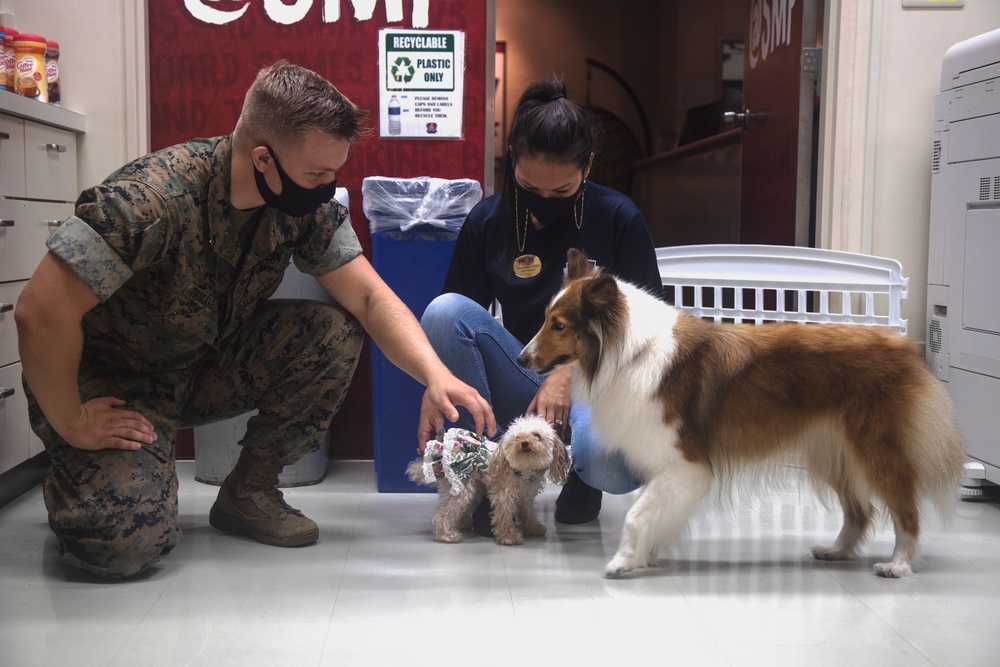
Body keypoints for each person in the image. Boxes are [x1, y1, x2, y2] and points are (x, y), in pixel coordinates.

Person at [14, 61, 494, 579]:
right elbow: (39, 312)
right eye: (316, 175)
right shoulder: (149, 199)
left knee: (331, 334)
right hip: (112, 386)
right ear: (263, 158)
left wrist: (436, 375)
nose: (326, 187)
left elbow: (370, 301)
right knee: (116, 547)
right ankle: (81, 474)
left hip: (200, 364)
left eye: (334, 173)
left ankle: (248, 493)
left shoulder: (299, 206)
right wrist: (73, 420)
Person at [420, 79, 664, 534]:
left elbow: (651, 333)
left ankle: (580, 469)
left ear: (587, 166)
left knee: (608, 466)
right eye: (530, 186)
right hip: (526, 380)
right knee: (441, 312)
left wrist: (568, 372)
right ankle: (488, 476)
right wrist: (435, 383)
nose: (543, 201)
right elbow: (456, 326)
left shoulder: (619, 218)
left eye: (562, 191)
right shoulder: (489, 219)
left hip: (598, 385)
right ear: (512, 156)